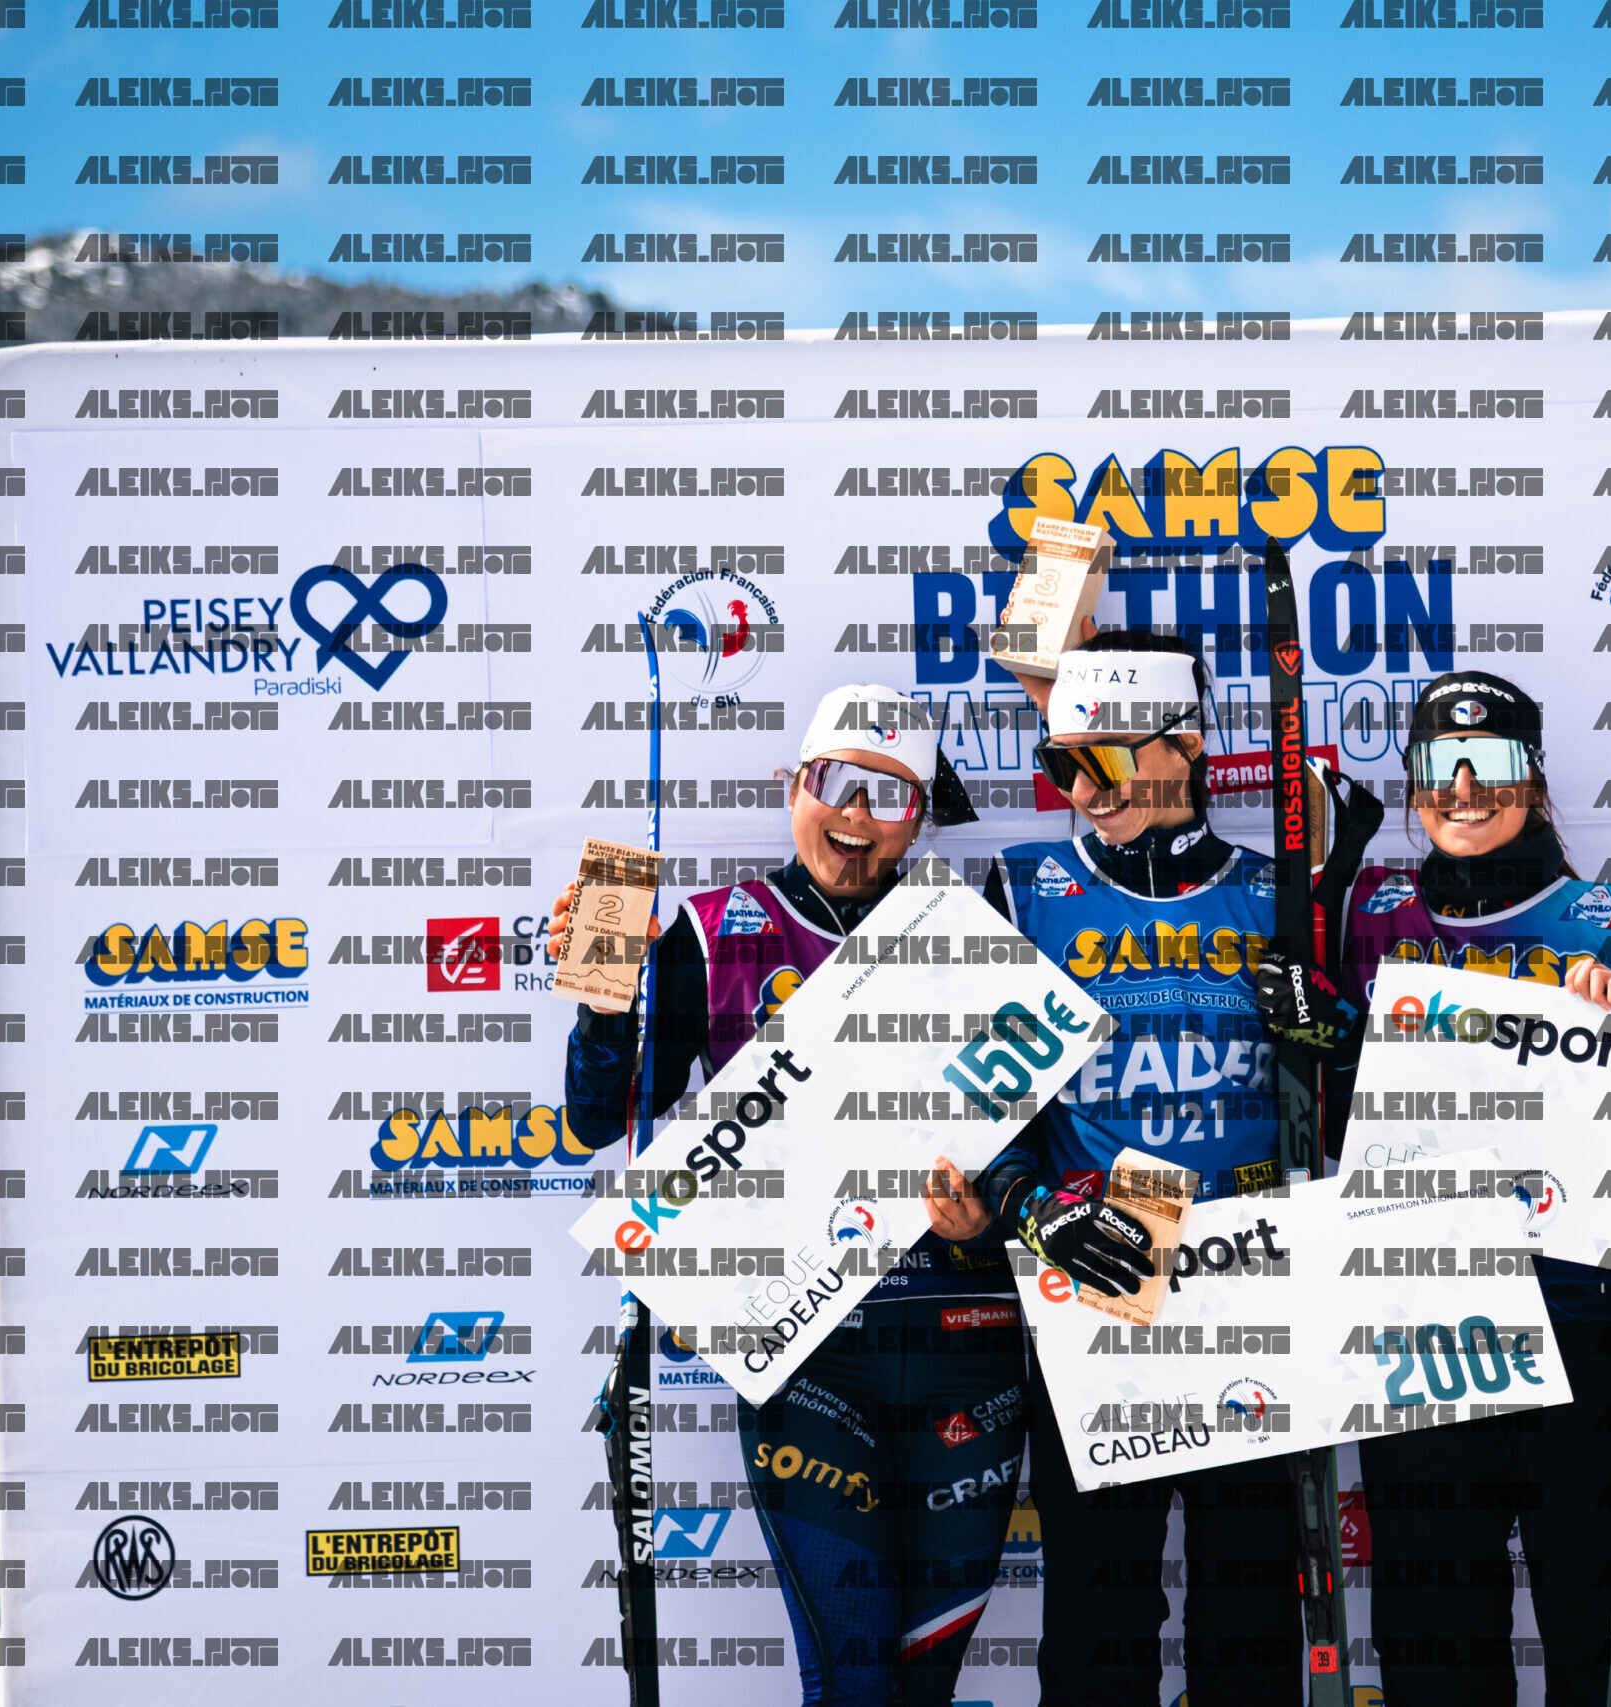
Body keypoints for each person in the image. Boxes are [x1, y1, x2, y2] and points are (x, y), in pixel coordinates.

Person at [1251, 668, 1611, 1707]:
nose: (1464, 788)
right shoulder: (1364, 915)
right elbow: (1325, 1106)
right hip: (1420, 1322)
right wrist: (1325, 1034)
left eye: (1493, 762)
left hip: (1585, 1319)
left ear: (1536, 778)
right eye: (1438, 765)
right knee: (1437, 1650)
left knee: (1595, 1635)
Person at [554, 682, 1026, 1707]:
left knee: (927, 1684)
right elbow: (597, 1120)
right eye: (835, 782)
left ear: (918, 818)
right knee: (853, 1676)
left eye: (888, 795)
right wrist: (602, 1003)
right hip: (810, 1352)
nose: (855, 815)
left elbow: (1030, 1131)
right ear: (794, 784)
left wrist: (990, 1208)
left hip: (968, 1342)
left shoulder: (969, 926)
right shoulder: (711, 932)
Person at [962, 629, 1305, 1707]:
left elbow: (1361, 1099)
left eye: (1105, 760)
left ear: (1188, 745)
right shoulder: (1023, 887)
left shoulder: (1280, 891)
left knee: (1250, 1621)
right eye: (1062, 764)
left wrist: (1333, 1035)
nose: (1082, 791)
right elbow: (970, 1099)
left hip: (1251, 1276)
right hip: (1101, 1271)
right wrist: (1029, 1204)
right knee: (1098, 1629)